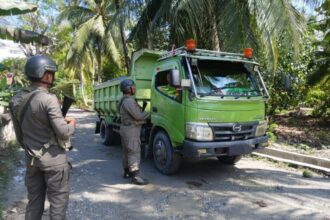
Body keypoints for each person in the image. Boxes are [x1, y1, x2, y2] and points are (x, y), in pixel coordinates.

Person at [9, 55, 76, 220]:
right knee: (58, 205)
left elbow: (20, 137)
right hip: (54, 162)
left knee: (34, 203)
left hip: (32, 161)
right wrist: (72, 124)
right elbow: (63, 132)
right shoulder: (49, 99)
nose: (52, 77)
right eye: (51, 73)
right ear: (45, 74)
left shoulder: (16, 100)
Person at [118, 79, 149, 185]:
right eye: (133, 86)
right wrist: (148, 113)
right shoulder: (129, 101)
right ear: (129, 89)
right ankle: (135, 177)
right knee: (134, 151)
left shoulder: (123, 100)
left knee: (126, 152)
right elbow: (138, 115)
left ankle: (127, 172)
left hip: (125, 128)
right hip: (131, 130)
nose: (135, 88)